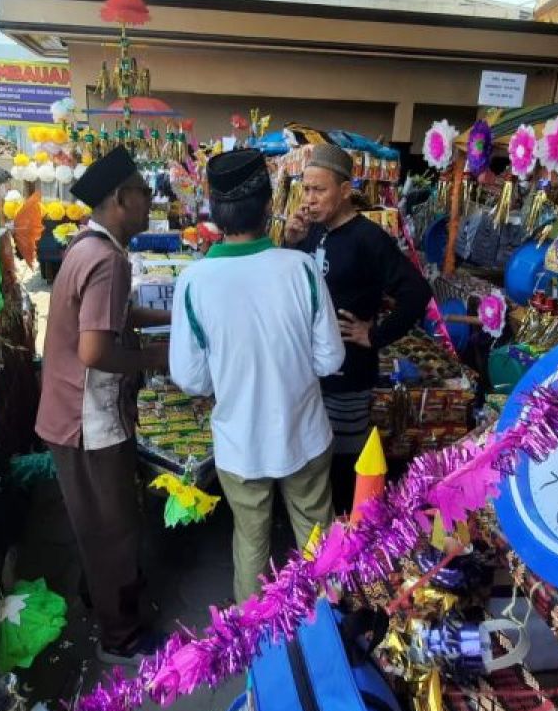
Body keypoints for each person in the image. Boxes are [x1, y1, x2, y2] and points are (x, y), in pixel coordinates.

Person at [170, 148, 345, 601]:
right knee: (316, 536)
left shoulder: (194, 281)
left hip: (240, 443)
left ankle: (252, 647)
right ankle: (324, 628)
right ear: (269, 205)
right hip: (304, 435)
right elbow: (329, 360)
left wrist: (232, 378)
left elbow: (189, 378)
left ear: (213, 211)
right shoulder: (302, 270)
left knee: (251, 543)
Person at [35, 146, 170, 665]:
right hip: (86, 421)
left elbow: (106, 315)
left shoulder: (87, 247)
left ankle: (100, 595)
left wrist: (161, 316)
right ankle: (121, 635)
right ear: (120, 198)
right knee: (114, 528)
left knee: (95, 521)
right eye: (142, 191)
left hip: (67, 413)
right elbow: (95, 348)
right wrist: (158, 355)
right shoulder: (109, 260)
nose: (149, 201)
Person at [283, 143, 433, 513]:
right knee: (309, 455)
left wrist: (375, 333)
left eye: (320, 189)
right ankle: (313, 534)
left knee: (343, 460)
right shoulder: (312, 232)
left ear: (345, 190)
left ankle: (346, 542)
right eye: (306, 189)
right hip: (307, 372)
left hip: (349, 373)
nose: (310, 198)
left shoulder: (369, 238)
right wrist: (290, 243)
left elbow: (417, 291)